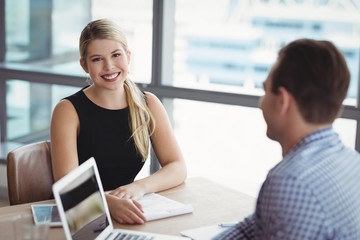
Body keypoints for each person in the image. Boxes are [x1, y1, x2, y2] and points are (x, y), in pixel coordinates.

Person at [213, 39, 360, 239]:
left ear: (282, 101)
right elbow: (256, 226)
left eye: (265, 91)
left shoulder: (291, 181)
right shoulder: (351, 161)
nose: (261, 103)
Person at [50, 18, 187, 225]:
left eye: (116, 55)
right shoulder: (67, 110)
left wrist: (139, 187)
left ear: (128, 56)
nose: (109, 66)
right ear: (84, 65)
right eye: (97, 59)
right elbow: (67, 185)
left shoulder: (148, 103)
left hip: (125, 211)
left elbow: (177, 167)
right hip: (82, 216)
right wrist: (109, 203)